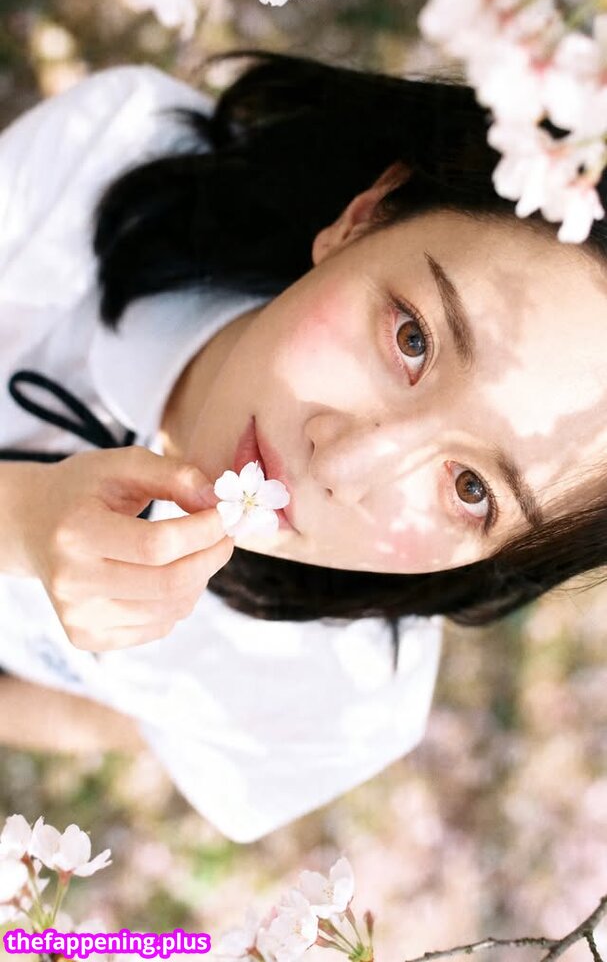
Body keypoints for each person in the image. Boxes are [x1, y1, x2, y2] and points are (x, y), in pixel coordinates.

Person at [0, 53, 604, 842]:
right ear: (365, 217)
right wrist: (18, 520)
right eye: (412, 339)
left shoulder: (344, 711)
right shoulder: (106, 156)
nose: (343, 463)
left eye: (469, 490)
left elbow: (127, 722)